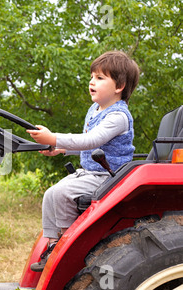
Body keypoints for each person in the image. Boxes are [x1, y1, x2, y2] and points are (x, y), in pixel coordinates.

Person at [27, 51, 140, 272]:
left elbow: (91, 140)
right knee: (51, 193)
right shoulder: (95, 110)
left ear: (119, 86)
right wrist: (59, 149)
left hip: (108, 176)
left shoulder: (118, 116)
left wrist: (54, 137)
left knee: (62, 194)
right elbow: (87, 146)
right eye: (91, 76)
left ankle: (68, 247)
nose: (91, 82)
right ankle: (53, 244)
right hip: (90, 173)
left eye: (100, 78)